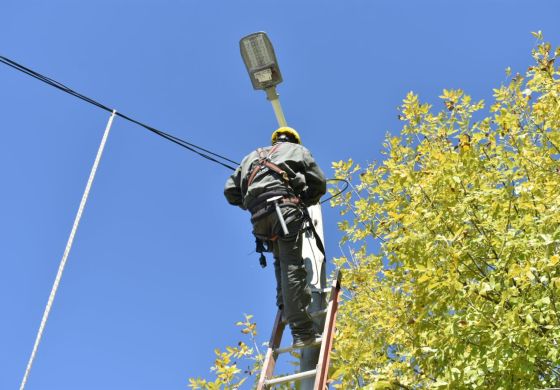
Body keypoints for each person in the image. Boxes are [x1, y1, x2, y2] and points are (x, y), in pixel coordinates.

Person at [224, 126, 326, 346]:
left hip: (259, 219)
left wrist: (252, 203)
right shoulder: (298, 151)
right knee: (292, 267)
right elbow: (319, 183)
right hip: (285, 211)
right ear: (294, 141)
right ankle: (302, 332)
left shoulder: (251, 157)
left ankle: (285, 305)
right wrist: (304, 199)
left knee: (280, 260)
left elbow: (230, 191)